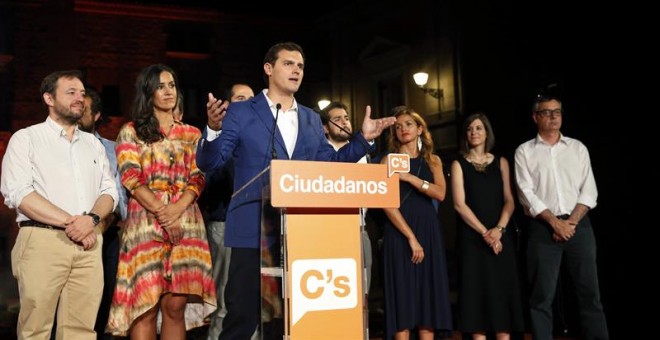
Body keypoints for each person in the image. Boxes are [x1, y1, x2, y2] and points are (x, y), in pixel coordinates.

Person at [196, 42, 395, 339]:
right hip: (252, 231)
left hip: (299, 234)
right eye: (288, 64)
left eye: (300, 66)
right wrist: (212, 129)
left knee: (288, 319)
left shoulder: (311, 118)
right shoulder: (240, 112)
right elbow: (211, 162)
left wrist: (362, 140)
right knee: (242, 317)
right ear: (268, 68)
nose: (296, 70)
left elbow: (329, 165)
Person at [1, 70, 119, 339]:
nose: (80, 98)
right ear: (48, 98)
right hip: (43, 241)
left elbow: (109, 191)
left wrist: (90, 221)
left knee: (82, 330)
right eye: (71, 92)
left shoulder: (93, 145)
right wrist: (74, 222)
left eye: (82, 93)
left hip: (89, 242)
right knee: (36, 329)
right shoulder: (26, 138)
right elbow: (19, 193)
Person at [106, 64, 216, 338]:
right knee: (145, 303)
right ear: (148, 92)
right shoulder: (131, 131)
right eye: (160, 86)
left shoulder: (192, 134)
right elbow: (130, 177)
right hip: (146, 222)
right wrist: (163, 213)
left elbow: (198, 178)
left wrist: (176, 211)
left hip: (186, 221)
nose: (168, 92)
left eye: (172, 86)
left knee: (175, 305)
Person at [514, 94, 609, 340]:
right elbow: (526, 194)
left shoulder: (578, 148)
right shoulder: (524, 152)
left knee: (590, 294)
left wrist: (570, 223)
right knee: (541, 297)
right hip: (543, 228)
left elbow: (589, 190)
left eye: (557, 111)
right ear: (535, 117)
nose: (554, 116)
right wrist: (555, 223)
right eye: (547, 112)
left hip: (579, 227)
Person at [450, 113, 524, 339]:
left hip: (501, 237)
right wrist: (485, 233)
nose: (474, 132)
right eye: (470, 129)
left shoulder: (501, 162)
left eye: (479, 128)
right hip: (473, 239)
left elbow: (510, 200)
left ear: (486, 133)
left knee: (502, 296)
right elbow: (459, 204)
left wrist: (498, 230)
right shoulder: (458, 164)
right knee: (476, 299)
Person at [380, 107, 452, 340]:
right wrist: (411, 237)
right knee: (403, 301)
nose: (403, 129)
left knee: (426, 301)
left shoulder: (433, 161)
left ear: (420, 128)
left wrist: (411, 178)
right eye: (398, 126)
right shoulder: (388, 161)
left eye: (408, 124)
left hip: (429, 232)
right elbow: (386, 203)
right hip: (399, 234)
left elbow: (440, 194)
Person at [203, 82, 255, 340]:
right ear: (228, 105)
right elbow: (208, 184)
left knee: (256, 305)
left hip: (262, 230)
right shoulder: (220, 140)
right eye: (241, 98)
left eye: (252, 99)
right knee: (227, 301)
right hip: (227, 227)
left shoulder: (261, 137)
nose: (249, 103)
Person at [78, 87, 129, 339]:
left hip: (105, 237)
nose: (77, 113)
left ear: (97, 115)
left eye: (84, 109)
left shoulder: (112, 150)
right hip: (68, 234)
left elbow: (120, 199)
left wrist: (99, 225)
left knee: (105, 307)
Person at [320, 101, 373, 294]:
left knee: (362, 292)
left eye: (347, 118)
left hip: (359, 230)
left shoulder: (364, 154)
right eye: (337, 119)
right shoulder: (321, 153)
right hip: (329, 232)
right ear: (325, 128)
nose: (344, 122)